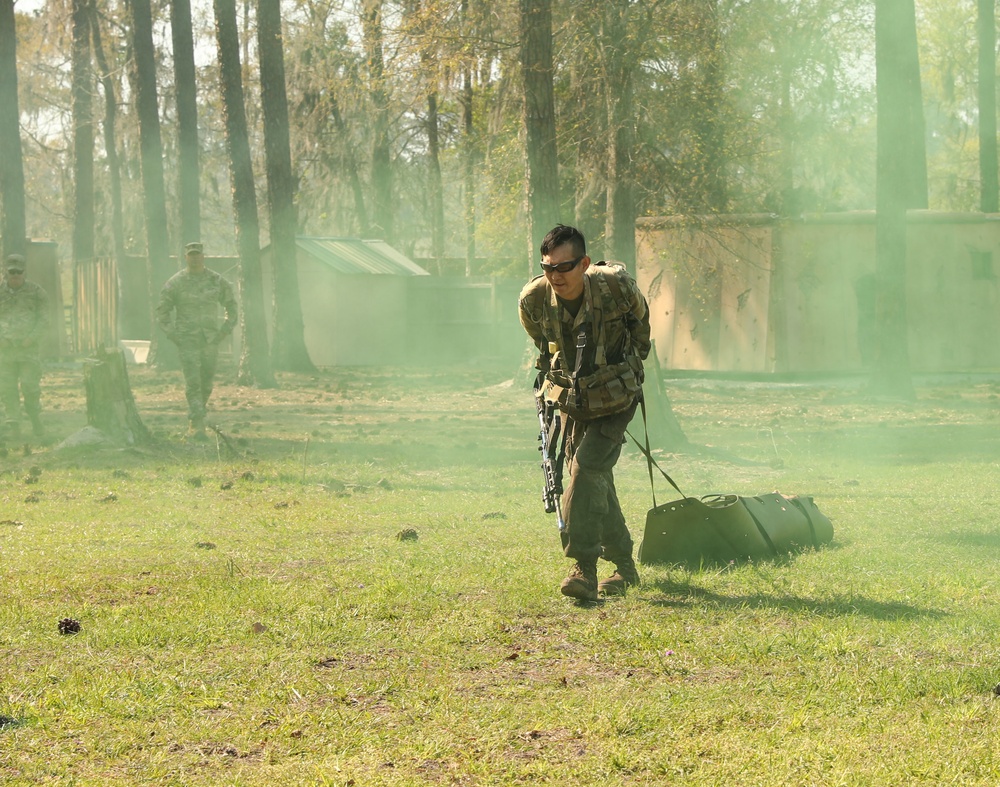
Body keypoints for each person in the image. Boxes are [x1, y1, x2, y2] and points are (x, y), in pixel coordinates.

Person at [518, 224, 651, 601]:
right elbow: (541, 344)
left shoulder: (614, 285)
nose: (555, 276)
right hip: (574, 401)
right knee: (595, 478)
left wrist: (628, 366)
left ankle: (584, 568)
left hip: (616, 397)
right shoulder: (534, 299)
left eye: (565, 266)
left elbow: (641, 325)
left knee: (587, 467)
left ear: (585, 263)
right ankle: (624, 567)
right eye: (548, 267)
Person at [156, 242, 238, 440]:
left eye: (197, 254)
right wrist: (174, 335)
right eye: (191, 255)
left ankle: (197, 414)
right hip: (188, 340)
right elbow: (162, 312)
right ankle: (196, 423)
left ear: (203, 256)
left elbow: (232, 308)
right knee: (193, 382)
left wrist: (223, 332)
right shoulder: (176, 283)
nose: (194, 258)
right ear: (186, 258)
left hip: (210, 340)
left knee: (207, 383)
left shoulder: (216, 281)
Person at [0, 253, 49, 440]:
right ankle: (14, 428)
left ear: (24, 272)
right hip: (5, 352)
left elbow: (44, 320)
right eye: (11, 271)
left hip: (28, 351)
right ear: (6, 272)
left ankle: (36, 420)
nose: (15, 275)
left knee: (30, 387)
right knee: (7, 389)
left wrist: (31, 339)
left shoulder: (37, 293)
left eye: (19, 271)